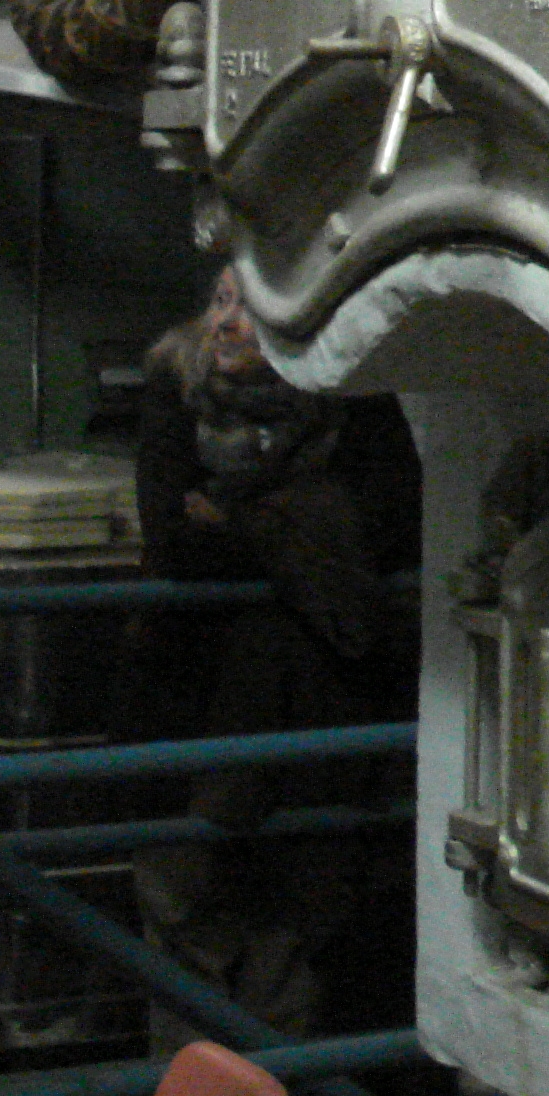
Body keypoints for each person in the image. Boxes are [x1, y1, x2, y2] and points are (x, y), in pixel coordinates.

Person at [127, 268, 420, 1042]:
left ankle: (276, 1082)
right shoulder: (178, 392)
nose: (227, 321)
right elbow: (177, 545)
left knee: (295, 921)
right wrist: (295, 531)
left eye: (251, 307)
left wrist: (238, 519)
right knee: (187, 904)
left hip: (314, 704)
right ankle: (195, 1081)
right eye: (220, 301)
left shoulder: (357, 401)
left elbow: (386, 528)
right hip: (195, 699)